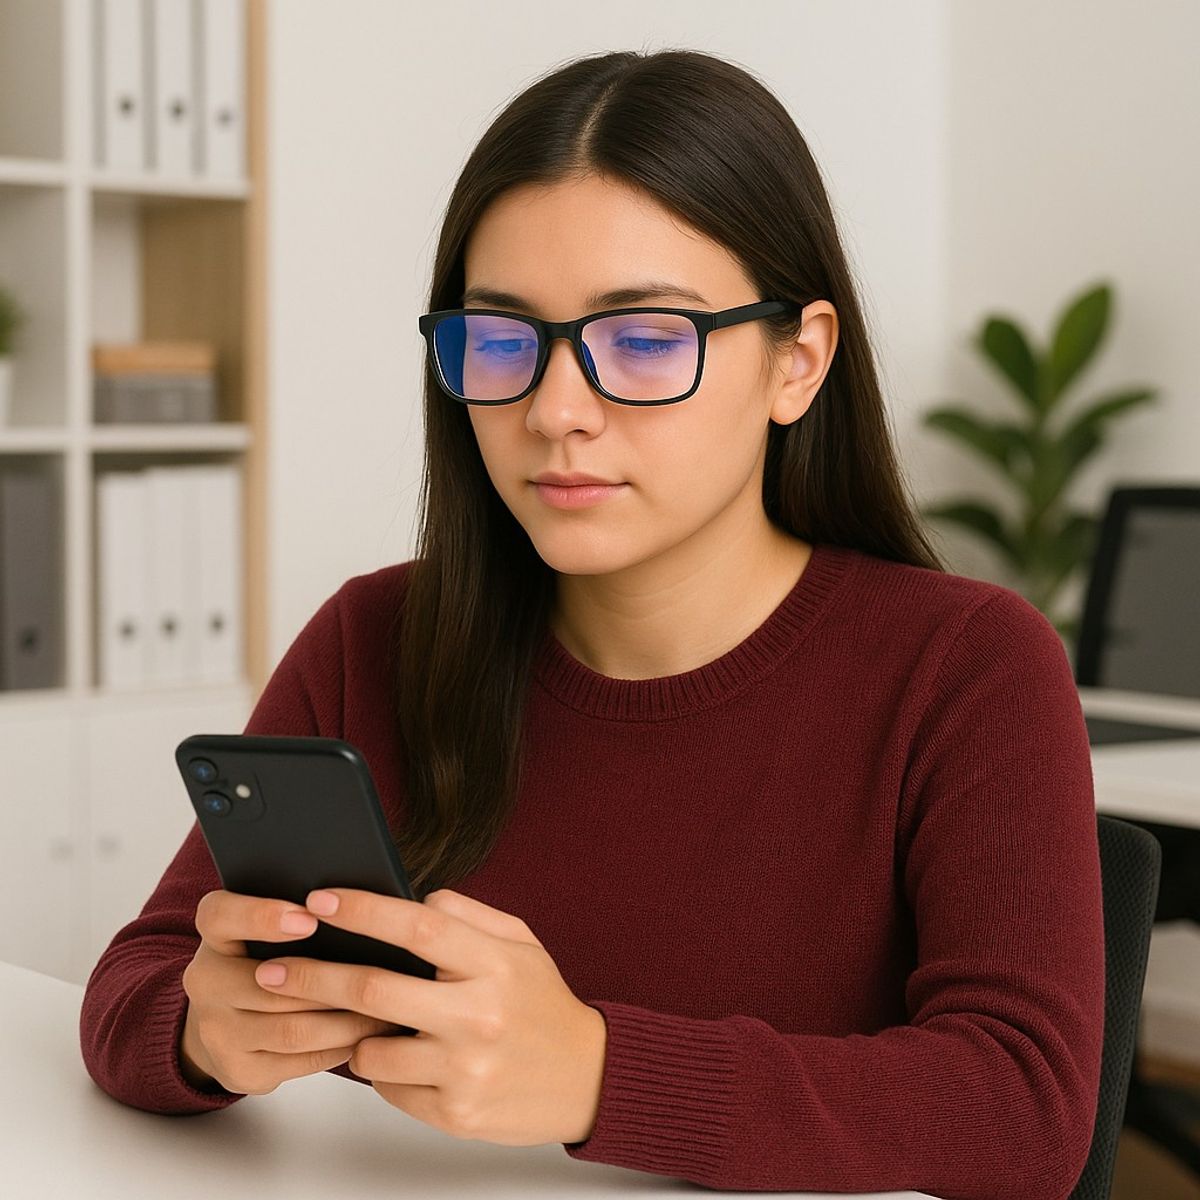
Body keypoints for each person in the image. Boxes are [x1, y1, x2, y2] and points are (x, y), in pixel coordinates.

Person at [78, 47, 1103, 1200]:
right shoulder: (376, 636)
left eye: (646, 340)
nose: (557, 412)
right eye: (503, 340)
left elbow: (1026, 1112)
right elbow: (136, 986)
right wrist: (203, 1036)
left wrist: (598, 1076)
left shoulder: (965, 667)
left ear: (797, 362)